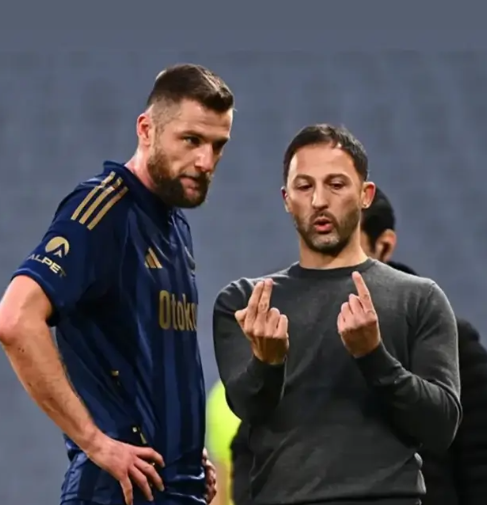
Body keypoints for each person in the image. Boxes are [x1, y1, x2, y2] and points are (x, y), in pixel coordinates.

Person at [0, 63, 234, 505]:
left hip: (173, 487)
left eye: (217, 145)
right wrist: (95, 442)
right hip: (116, 491)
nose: (206, 161)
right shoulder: (104, 210)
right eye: (191, 140)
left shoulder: (174, 226)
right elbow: (15, 318)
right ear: (146, 130)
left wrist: (185, 457)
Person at [212, 124, 462, 505]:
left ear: (365, 195)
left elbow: (441, 427)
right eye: (304, 186)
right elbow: (248, 410)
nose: (319, 201)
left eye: (336, 184)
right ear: (286, 199)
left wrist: (374, 356)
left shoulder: (420, 299)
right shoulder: (246, 302)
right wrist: (268, 362)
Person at [361, 187, 487, 505]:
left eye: (346, 245)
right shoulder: (290, 339)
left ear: (383, 245)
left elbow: (485, 475)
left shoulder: (451, 343)